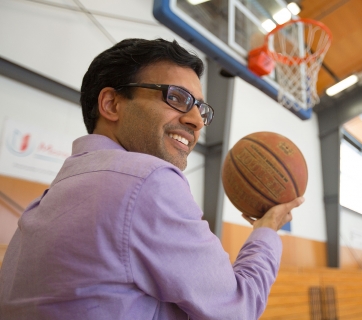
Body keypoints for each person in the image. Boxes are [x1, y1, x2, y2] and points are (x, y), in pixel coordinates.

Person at [0, 38, 304, 320]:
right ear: (111, 104)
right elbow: (239, 308)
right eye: (177, 97)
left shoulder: (47, 200)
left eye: (201, 109)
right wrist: (266, 230)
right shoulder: (147, 181)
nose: (197, 121)